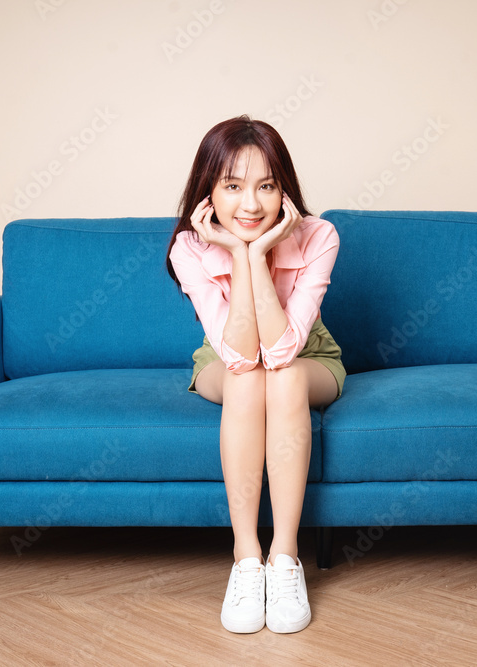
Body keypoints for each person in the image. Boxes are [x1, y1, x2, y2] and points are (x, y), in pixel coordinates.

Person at [165, 115, 345, 634]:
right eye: (233, 186)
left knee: (283, 376)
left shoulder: (319, 236)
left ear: (284, 188)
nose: (251, 204)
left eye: (266, 186)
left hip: (311, 356)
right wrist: (237, 255)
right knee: (247, 377)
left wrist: (261, 250)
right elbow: (241, 357)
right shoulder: (189, 248)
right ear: (208, 193)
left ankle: (285, 560)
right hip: (223, 358)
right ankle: (247, 560)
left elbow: (285, 348)